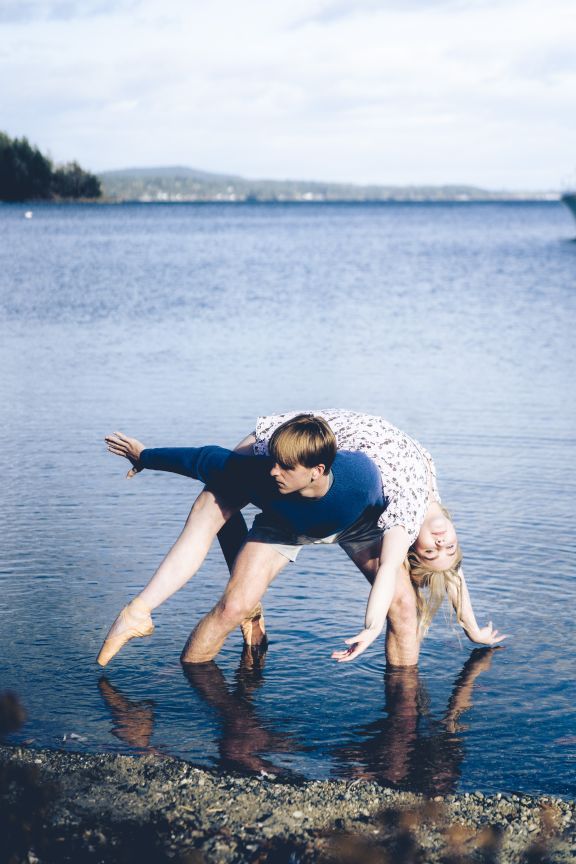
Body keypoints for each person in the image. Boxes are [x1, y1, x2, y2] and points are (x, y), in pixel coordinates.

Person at [98, 411, 505, 668]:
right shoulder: (425, 500)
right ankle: (186, 649)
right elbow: (451, 566)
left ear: (414, 545)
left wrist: (371, 628)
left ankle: (400, 721)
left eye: (432, 549)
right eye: (447, 544)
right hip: (299, 483)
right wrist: (145, 456)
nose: (440, 542)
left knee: (403, 607)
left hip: (352, 508)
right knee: (231, 584)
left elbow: (415, 570)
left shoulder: (402, 513)